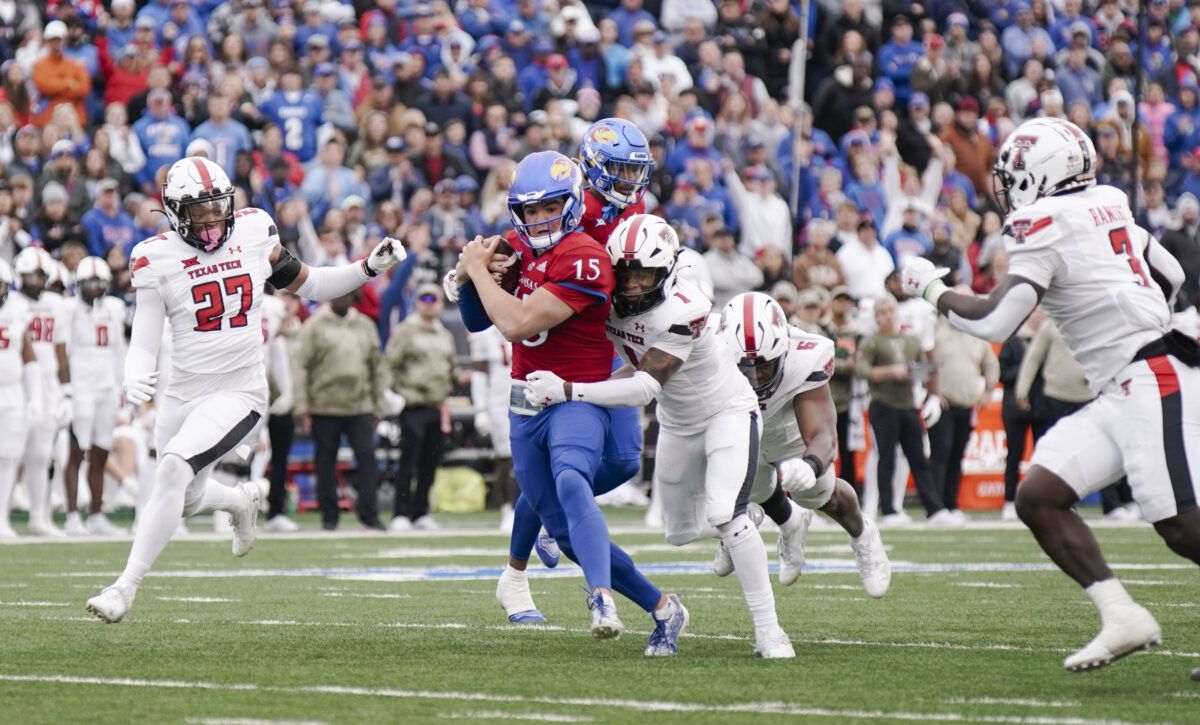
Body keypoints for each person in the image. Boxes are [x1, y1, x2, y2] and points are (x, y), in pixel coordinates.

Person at [901, 117, 1200, 673]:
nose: (1007, 184)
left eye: (1013, 172)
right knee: (1038, 495)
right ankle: (1121, 614)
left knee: (1180, 524)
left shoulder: (1044, 221)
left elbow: (995, 323)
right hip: (1126, 382)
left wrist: (931, 289)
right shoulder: (1108, 203)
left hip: (1151, 375)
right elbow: (1172, 272)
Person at [85, 156, 403, 623]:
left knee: (173, 471)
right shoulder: (154, 257)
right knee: (186, 497)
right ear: (174, 212)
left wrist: (366, 269)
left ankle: (124, 588)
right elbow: (146, 336)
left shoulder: (255, 232)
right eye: (200, 211)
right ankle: (238, 500)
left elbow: (311, 284)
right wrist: (135, 371)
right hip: (183, 392)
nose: (213, 219)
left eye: (218, 207)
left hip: (240, 390)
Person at [523, 214, 792, 658]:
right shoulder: (604, 296)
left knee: (726, 512)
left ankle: (769, 629)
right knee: (680, 534)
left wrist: (569, 390)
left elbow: (646, 386)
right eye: (624, 272)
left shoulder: (684, 305)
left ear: (665, 272)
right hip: (678, 421)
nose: (630, 285)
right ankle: (741, 525)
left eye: (643, 273)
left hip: (726, 409)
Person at [454, 152, 686, 656]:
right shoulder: (516, 244)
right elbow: (476, 320)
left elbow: (515, 323)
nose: (538, 219)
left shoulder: (585, 256)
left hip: (575, 395)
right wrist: (468, 276)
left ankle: (600, 597)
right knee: (558, 522)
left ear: (572, 202)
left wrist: (478, 272)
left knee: (572, 478)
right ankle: (664, 607)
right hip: (524, 405)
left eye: (549, 207)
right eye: (529, 211)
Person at [719, 292, 891, 598]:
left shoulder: (805, 355)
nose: (756, 377)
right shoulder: (709, 350)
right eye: (746, 368)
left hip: (788, 428)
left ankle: (863, 535)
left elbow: (824, 434)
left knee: (819, 493)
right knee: (751, 490)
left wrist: (810, 463)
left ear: (783, 348)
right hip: (741, 425)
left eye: (764, 366)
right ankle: (789, 523)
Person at [292, 289, 389, 532]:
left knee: (367, 459)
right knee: (325, 462)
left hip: (360, 404)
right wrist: (301, 405)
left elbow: (377, 366)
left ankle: (369, 514)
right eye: (338, 295)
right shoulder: (315, 325)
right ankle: (329, 516)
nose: (342, 299)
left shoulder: (365, 325)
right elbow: (301, 366)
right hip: (324, 405)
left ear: (353, 298)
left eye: (347, 295)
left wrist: (379, 403)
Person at [856, 295, 952, 526]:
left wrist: (927, 380)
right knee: (885, 458)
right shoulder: (871, 342)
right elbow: (861, 370)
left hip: (908, 404)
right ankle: (889, 509)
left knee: (918, 458)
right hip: (883, 404)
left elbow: (924, 369)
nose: (888, 315)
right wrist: (892, 372)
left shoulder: (911, 340)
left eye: (891, 310)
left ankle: (934, 508)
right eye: (883, 312)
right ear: (877, 317)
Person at [62, 257, 127, 537]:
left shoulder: (114, 308)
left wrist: (123, 385)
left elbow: (119, 350)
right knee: (76, 452)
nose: (91, 289)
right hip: (81, 388)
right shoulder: (69, 310)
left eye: (96, 283)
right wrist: (66, 389)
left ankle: (96, 515)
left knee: (101, 452)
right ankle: (72, 514)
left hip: (106, 387)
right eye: (86, 284)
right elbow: (63, 351)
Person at [385, 283, 458, 531]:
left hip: (436, 405)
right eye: (424, 298)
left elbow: (450, 367)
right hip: (412, 403)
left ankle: (421, 511)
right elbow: (391, 363)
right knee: (409, 461)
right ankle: (401, 512)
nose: (429, 302)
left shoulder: (444, 334)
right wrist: (391, 396)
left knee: (429, 461)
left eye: (434, 298)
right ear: (417, 302)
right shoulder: (406, 330)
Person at [14, 246, 71, 537]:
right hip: (16, 383)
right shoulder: (11, 303)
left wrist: (67, 391)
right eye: (29, 276)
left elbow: (61, 351)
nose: (34, 281)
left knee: (42, 454)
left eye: (39, 275)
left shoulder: (56, 303)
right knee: (9, 453)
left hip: (47, 385)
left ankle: (39, 515)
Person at [929, 315, 999, 521]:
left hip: (968, 404)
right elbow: (925, 360)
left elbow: (991, 364)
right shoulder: (937, 330)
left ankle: (951, 504)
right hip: (943, 403)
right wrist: (933, 392)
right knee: (941, 453)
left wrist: (988, 390)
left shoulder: (977, 332)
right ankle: (936, 506)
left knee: (957, 455)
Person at [0, 258, 41, 538]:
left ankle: (1, 517)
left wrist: (35, 396)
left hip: (12, 392)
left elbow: (28, 354)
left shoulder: (17, 309)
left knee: (7, 457)